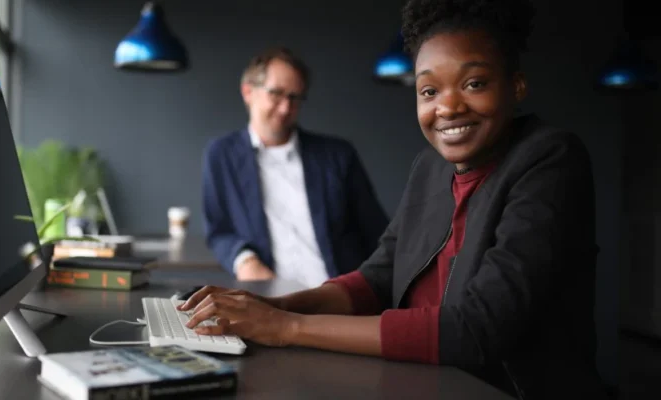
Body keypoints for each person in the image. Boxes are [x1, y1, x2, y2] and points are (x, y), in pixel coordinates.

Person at [183, 0, 608, 398]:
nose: (448, 106)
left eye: (474, 83)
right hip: (419, 378)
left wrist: (287, 325)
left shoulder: (550, 159)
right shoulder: (430, 167)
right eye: (429, 91)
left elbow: (478, 329)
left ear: (515, 86)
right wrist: (270, 306)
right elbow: (376, 279)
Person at [201, 47, 389, 288]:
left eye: (295, 97)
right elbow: (219, 230)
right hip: (269, 300)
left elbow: (377, 232)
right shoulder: (222, 155)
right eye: (276, 94)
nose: (285, 108)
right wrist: (245, 261)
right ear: (248, 91)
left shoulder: (337, 155)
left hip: (338, 299)